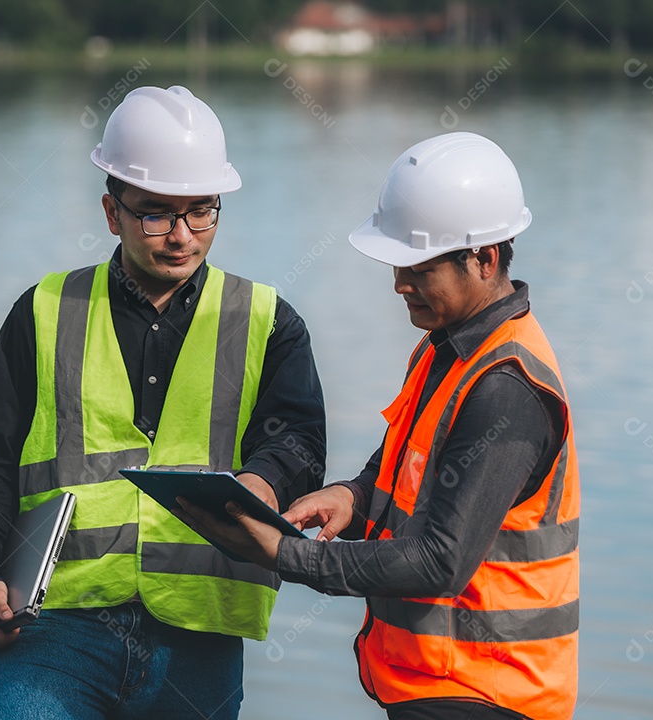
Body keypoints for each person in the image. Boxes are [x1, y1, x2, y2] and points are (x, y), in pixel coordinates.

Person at [0, 85, 326, 720]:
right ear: (111, 211)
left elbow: (300, 443)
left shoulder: (267, 321)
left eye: (201, 212)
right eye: (155, 214)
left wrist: (265, 480)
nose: (181, 236)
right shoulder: (45, 310)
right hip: (54, 630)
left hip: (200, 636)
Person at [178, 132, 579, 720]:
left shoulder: (505, 388)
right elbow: (404, 474)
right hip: (441, 686)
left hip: (489, 695)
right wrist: (352, 496)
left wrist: (284, 554)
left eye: (420, 268)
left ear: (485, 259)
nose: (400, 283)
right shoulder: (445, 350)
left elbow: (439, 561)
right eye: (398, 265)